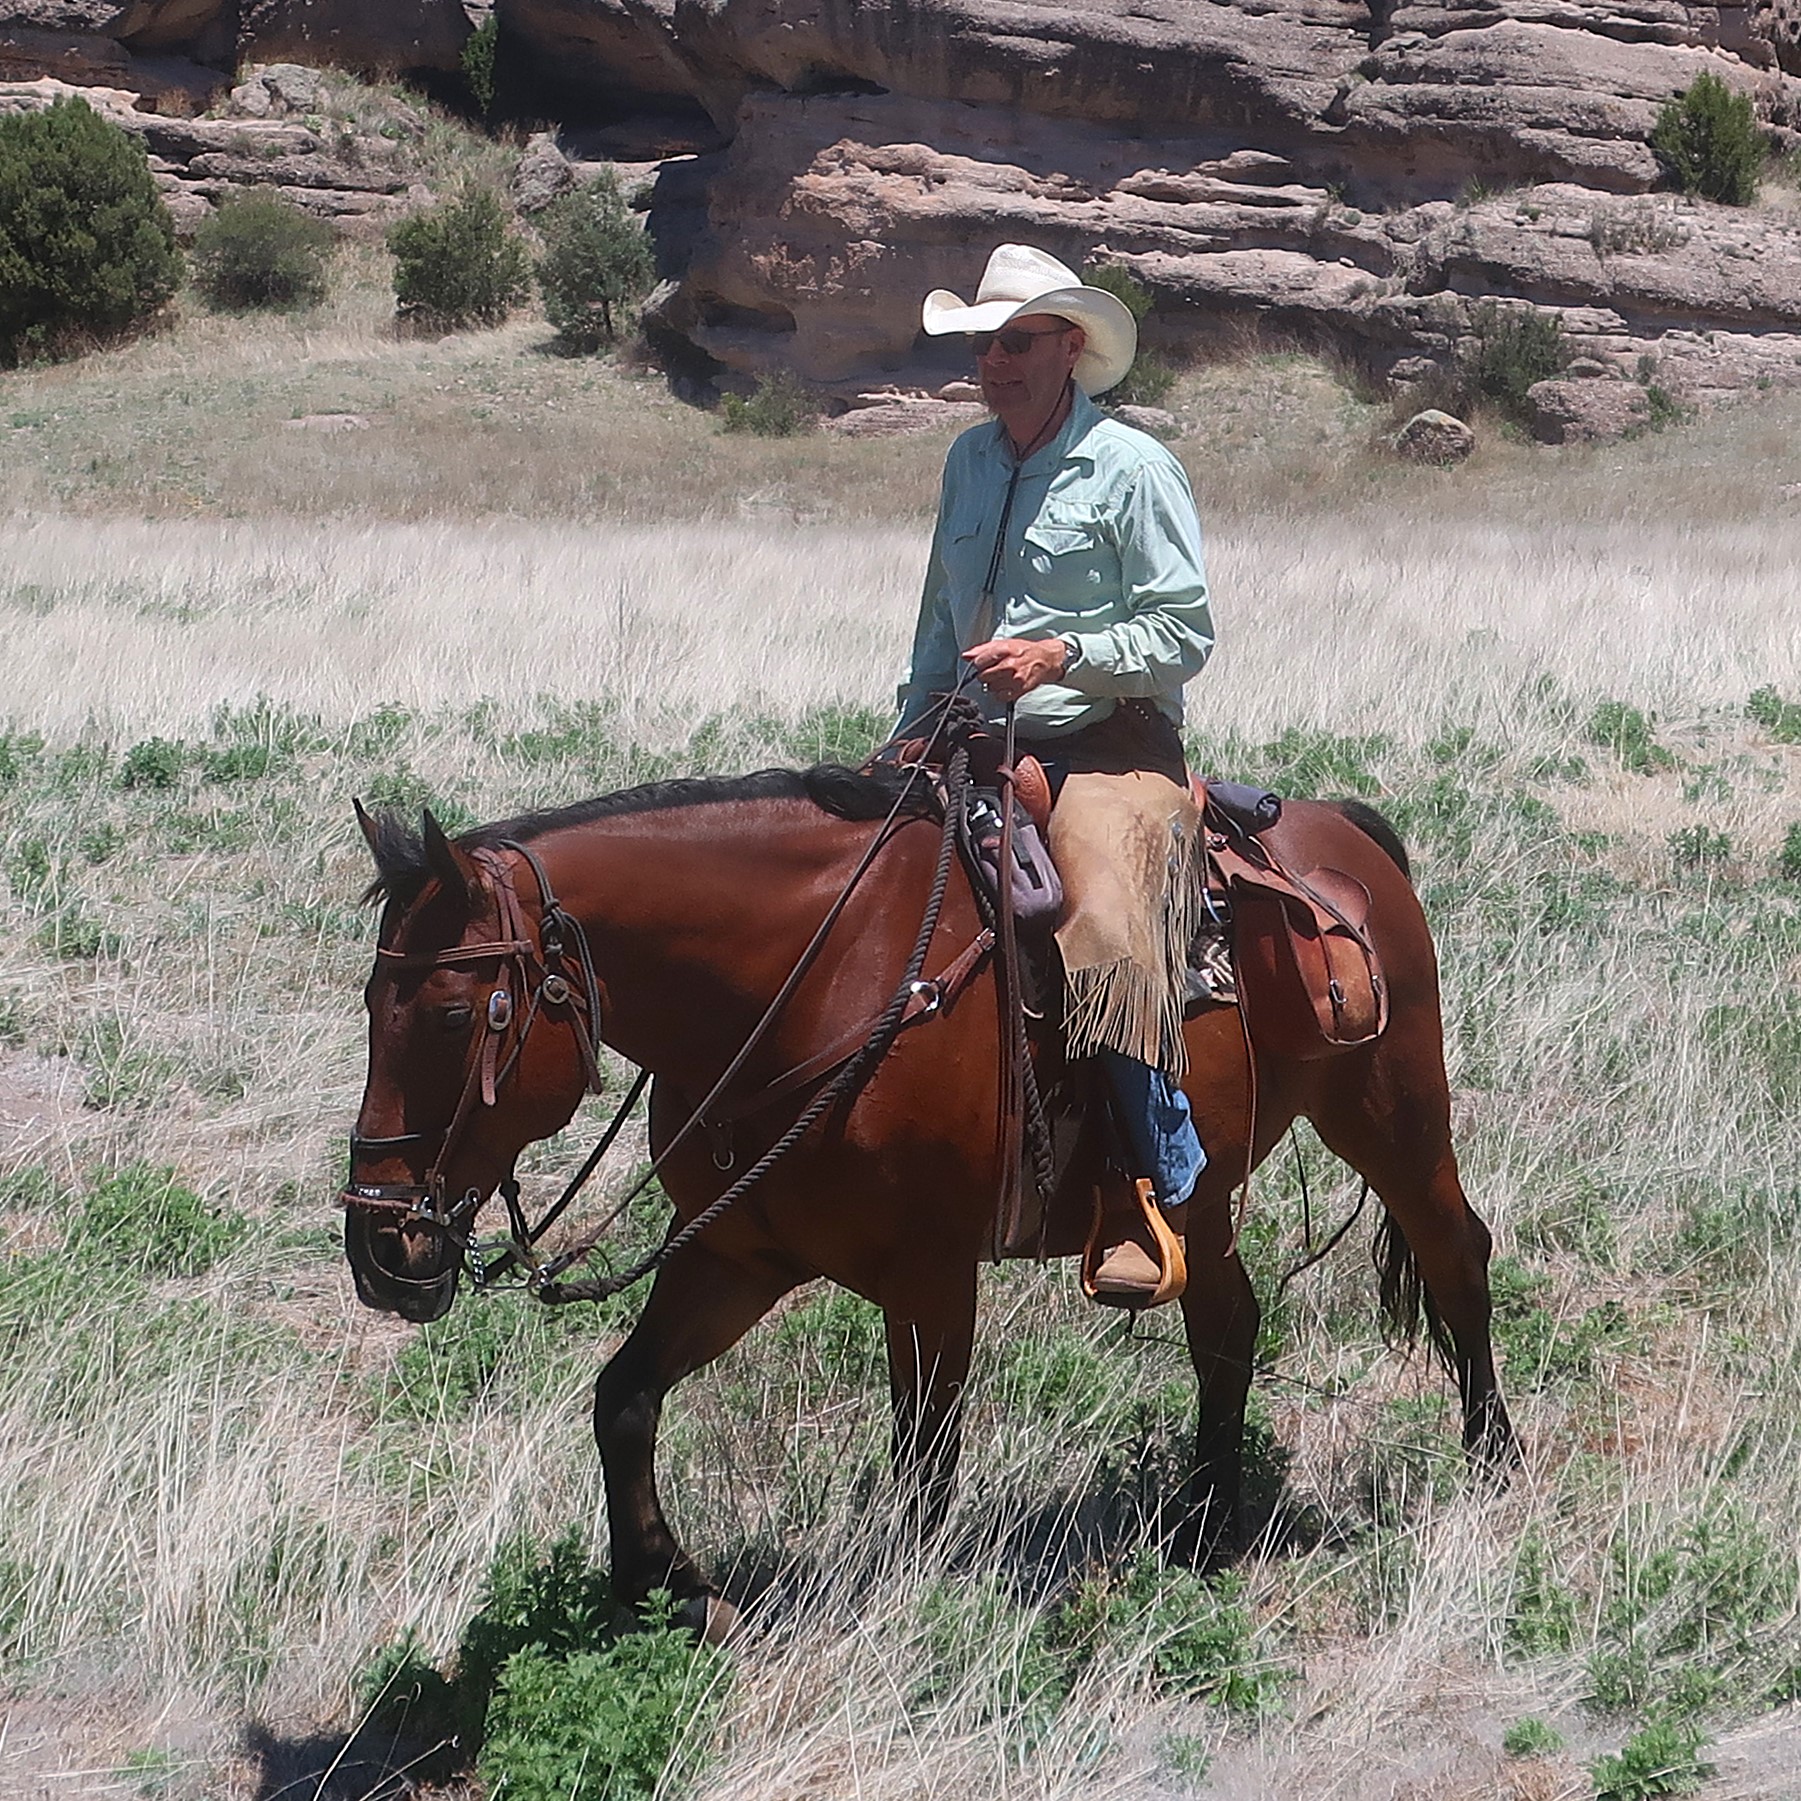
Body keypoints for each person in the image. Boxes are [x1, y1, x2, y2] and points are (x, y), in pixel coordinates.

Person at [895, 243, 1216, 1307]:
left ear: (1070, 349)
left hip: (1103, 744)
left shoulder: (1132, 467)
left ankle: (1147, 1182)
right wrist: (908, 730)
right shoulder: (965, 462)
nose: (993, 363)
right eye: (982, 344)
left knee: (1103, 921)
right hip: (971, 737)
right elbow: (940, 622)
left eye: (1015, 342)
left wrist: (1062, 655)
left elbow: (1183, 632)